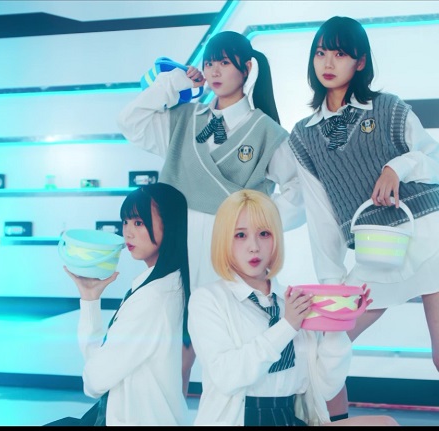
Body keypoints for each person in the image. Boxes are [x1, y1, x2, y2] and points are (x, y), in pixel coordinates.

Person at [286, 16, 439, 426]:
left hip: (432, 236)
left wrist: (397, 167)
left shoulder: (389, 108)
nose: (328, 62)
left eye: (340, 53)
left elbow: (438, 160)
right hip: (376, 251)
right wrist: (332, 283)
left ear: (360, 62)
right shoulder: (303, 135)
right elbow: (322, 214)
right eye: (321, 53)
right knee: (326, 345)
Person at [117, 30, 304, 397]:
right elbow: (130, 121)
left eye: (224, 63)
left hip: (229, 251)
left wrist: (255, 227)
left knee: (231, 346)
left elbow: (299, 192)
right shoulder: (183, 118)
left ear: (246, 68)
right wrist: (172, 83)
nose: (215, 71)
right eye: (209, 63)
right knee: (174, 346)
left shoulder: (267, 131)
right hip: (178, 245)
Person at [187, 189, 398, 426]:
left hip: (289, 417)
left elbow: (326, 388)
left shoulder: (294, 300)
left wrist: (339, 323)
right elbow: (227, 377)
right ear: (223, 239)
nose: (254, 246)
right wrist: (287, 326)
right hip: (242, 419)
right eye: (240, 235)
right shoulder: (208, 299)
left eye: (264, 234)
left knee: (385, 423)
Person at [50, 183, 191, 426]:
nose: (128, 232)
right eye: (125, 222)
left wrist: (96, 370)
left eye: (138, 222)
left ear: (170, 225)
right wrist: (90, 298)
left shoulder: (153, 298)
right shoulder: (168, 285)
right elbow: (101, 366)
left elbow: (95, 381)